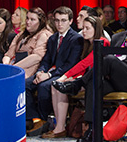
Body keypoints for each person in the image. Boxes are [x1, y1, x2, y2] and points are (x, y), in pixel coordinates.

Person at [74, 5, 127, 142]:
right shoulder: (118, 36)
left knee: (108, 59)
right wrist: (114, 66)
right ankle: (91, 128)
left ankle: (79, 83)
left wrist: (118, 64)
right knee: (95, 82)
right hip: (114, 78)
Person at [48, 16, 109, 139]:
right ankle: (60, 126)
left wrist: (64, 76)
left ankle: (61, 127)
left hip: (100, 82)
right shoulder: (86, 44)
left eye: (87, 28)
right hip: (85, 79)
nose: (83, 31)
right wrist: (67, 78)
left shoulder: (103, 41)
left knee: (61, 84)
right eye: (83, 28)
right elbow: (82, 66)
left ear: (96, 29)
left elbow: (85, 63)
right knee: (56, 86)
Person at [25, 7, 83, 135]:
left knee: (44, 86)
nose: (59, 24)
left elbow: (70, 65)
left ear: (70, 21)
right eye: (57, 20)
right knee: (26, 84)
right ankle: (35, 118)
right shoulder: (53, 38)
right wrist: (41, 72)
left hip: (63, 74)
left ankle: (45, 119)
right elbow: (46, 60)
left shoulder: (76, 39)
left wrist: (49, 75)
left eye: (63, 20)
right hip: (48, 72)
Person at [3, 7, 52, 77]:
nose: (28, 22)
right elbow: (9, 54)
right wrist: (6, 64)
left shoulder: (43, 34)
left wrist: (14, 68)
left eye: (32, 19)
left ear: (40, 22)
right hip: (13, 67)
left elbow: (37, 57)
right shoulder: (21, 34)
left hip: (28, 70)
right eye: (27, 18)